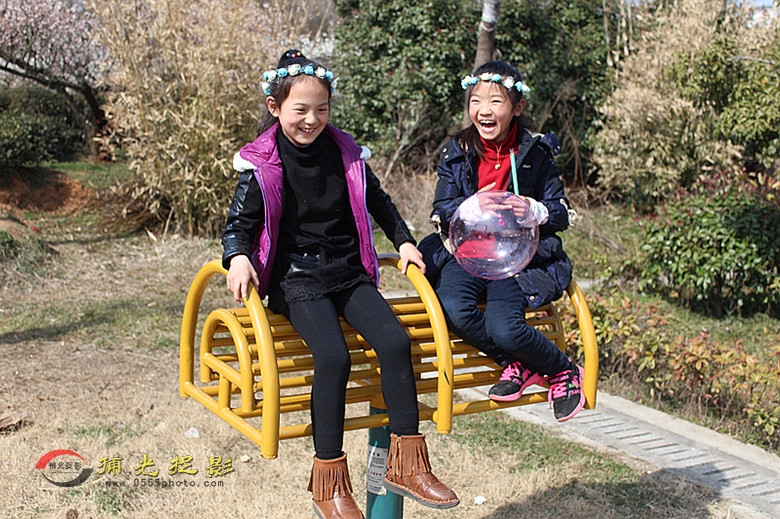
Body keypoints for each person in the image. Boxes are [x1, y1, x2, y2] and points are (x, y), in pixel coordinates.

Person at [221, 50, 459, 519]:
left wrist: (404, 241)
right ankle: (328, 483)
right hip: (296, 278)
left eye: (321, 109)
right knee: (334, 356)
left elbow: (380, 202)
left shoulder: (346, 153)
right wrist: (239, 257)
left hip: (346, 271)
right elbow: (238, 225)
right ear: (275, 107)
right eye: (300, 110)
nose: (311, 120)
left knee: (395, 342)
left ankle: (408, 464)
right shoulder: (262, 162)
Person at [423, 60, 585, 423]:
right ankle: (518, 364)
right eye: (476, 101)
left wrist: (535, 210)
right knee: (453, 307)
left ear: (518, 107)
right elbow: (441, 209)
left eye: (495, 101)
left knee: (505, 327)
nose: (484, 110)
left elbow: (561, 211)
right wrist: (472, 208)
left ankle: (563, 370)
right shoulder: (456, 150)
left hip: (518, 258)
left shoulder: (536, 152)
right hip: (468, 253)